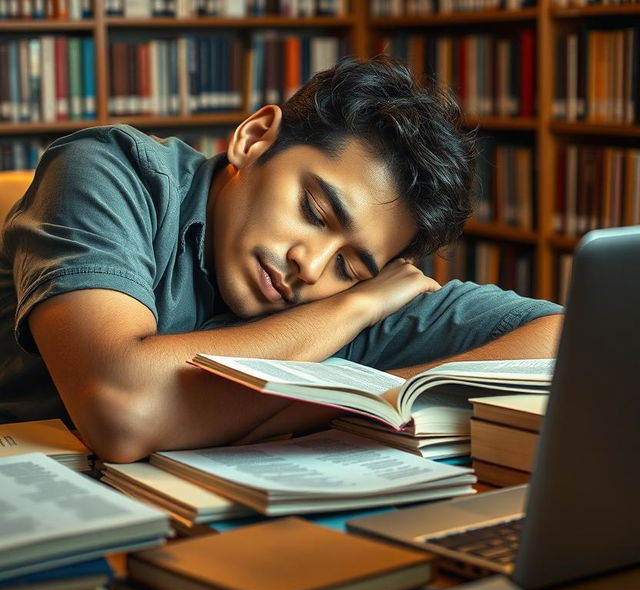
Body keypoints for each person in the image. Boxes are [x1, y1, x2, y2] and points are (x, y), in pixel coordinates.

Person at [0, 56, 562, 462]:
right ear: (256, 138)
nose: (311, 267)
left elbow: (565, 337)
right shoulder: (107, 169)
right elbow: (121, 412)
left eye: (352, 266)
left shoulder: (348, 290)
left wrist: (380, 393)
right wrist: (353, 309)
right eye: (314, 211)